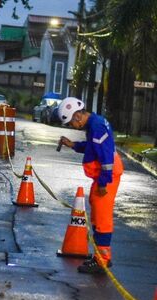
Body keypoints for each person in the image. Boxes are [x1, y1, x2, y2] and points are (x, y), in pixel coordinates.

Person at [57, 97, 124, 274]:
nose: (72, 126)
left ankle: (103, 260)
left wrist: (103, 182)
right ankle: (99, 256)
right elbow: (93, 147)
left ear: (77, 115)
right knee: (97, 214)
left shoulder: (97, 126)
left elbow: (106, 156)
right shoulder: (94, 124)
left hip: (106, 177)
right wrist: (73, 145)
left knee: (102, 218)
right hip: (102, 177)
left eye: (71, 122)